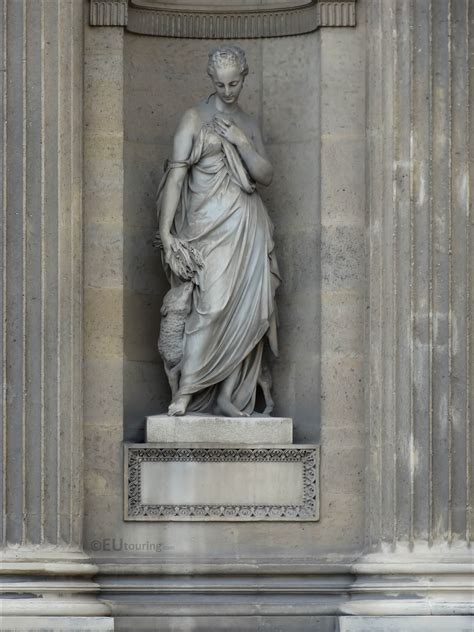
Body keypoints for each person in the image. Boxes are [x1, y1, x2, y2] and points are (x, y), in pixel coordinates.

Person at [157, 45, 280, 417]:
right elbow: (176, 177)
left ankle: (228, 395)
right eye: (222, 84)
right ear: (211, 80)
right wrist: (165, 233)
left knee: (247, 312)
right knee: (210, 307)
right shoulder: (193, 118)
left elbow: (266, 176)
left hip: (246, 224)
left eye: (235, 83)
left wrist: (241, 142)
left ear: (244, 77)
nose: (228, 91)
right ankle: (187, 392)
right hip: (205, 227)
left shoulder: (250, 124)